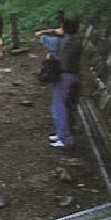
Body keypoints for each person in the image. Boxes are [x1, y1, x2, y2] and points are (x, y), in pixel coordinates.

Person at [35, 18, 82, 148]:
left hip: (63, 78)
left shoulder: (57, 42)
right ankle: (62, 134)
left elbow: (39, 35)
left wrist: (51, 31)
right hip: (74, 76)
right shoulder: (77, 43)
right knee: (69, 107)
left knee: (60, 108)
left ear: (63, 28)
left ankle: (65, 139)